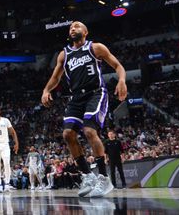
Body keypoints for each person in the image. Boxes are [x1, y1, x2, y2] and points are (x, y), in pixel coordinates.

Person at [41, 21, 127, 198]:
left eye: (77, 26)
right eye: (70, 27)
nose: (73, 28)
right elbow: (55, 77)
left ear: (85, 32)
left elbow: (118, 66)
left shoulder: (96, 48)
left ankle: (104, 178)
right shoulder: (64, 55)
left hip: (96, 93)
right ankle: (88, 176)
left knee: (89, 131)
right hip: (76, 97)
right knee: (67, 135)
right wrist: (46, 90)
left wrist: (121, 81)